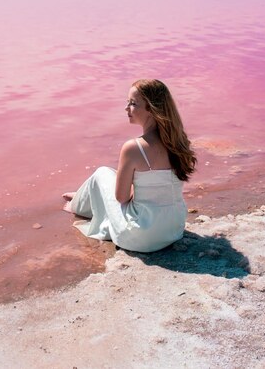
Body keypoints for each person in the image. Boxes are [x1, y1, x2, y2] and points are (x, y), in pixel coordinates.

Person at [62, 79, 197, 252]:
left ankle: (77, 204)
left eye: (133, 103)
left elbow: (121, 198)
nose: (126, 108)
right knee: (112, 174)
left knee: (102, 173)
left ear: (151, 109)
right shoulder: (179, 143)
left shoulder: (134, 148)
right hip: (173, 230)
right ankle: (84, 194)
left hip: (140, 237)